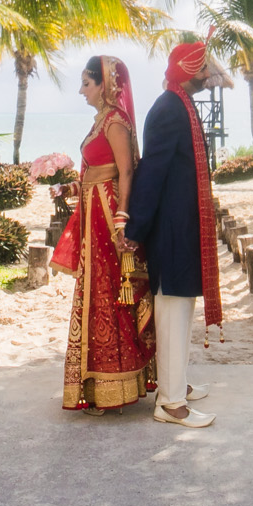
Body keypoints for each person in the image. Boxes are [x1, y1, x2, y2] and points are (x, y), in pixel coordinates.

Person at [123, 38, 233, 428]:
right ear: (188, 70)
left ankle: (176, 385)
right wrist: (136, 227)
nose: (207, 76)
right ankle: (170, 405)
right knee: (172, 312)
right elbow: (151, 173)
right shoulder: (170, 109)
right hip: (171, 230)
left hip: (183, 226)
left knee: (181, 311)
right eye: (202, 69)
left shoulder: (178, 105)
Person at [50, 55, 155, 412]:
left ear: (105, 85)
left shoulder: (115, 122)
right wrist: (70, 190)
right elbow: (96, 172)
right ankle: (99, 384)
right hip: (96, 214)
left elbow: (125, 172)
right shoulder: (100, 122)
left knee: (112, 293)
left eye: (86, 83)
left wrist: (123, 219)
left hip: (110, 217)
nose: (81, 91)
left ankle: (118, 385)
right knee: (97, 293)